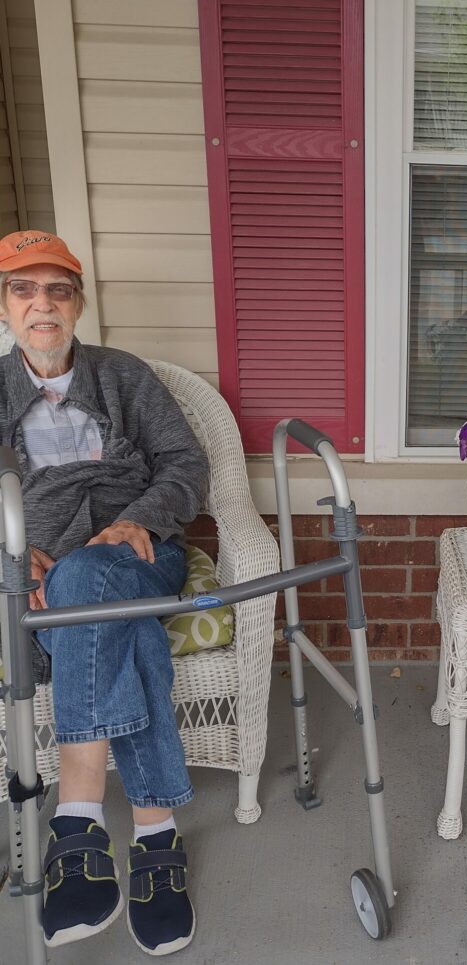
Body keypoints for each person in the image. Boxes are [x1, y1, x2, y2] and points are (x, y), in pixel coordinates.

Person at [0, 230, 209, 954]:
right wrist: (13, 555)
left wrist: (136, 518)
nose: (42, 305)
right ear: (6, 308)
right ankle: (157, 838)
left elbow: (187, 465)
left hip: (145, 554)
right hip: (41, 574)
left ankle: (77, 824)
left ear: (80, 303)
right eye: (24, 290)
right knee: (129, 627)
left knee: (92, 577)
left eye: (58, 289)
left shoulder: (124, 375)